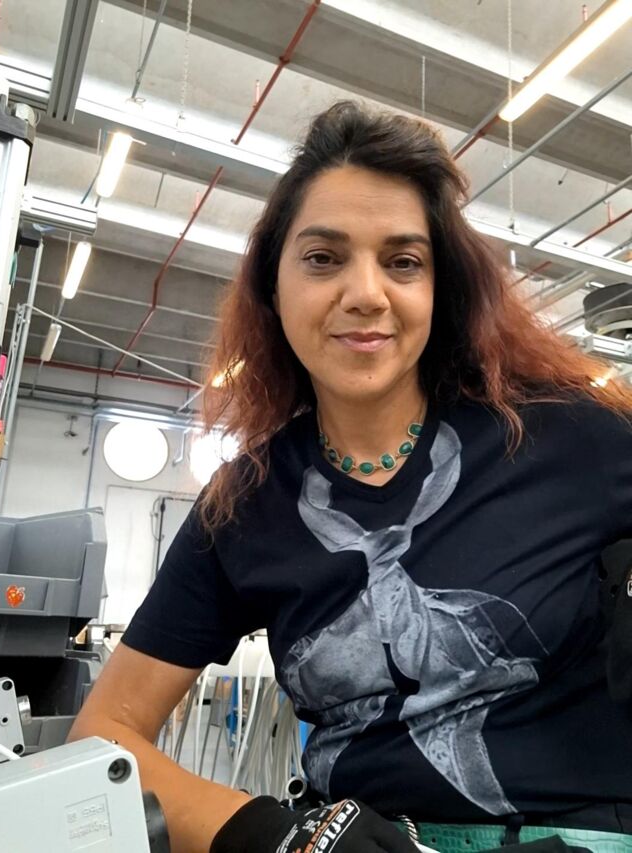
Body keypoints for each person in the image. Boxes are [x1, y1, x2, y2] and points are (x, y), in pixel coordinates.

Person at [69, 101, 632, 853]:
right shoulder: (244, 505)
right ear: (273, 287)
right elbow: (104, 732)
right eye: (323, 258)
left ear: (440, 289)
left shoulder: (571, 437)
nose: (366, 293)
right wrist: (278, 835)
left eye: (403, 262)